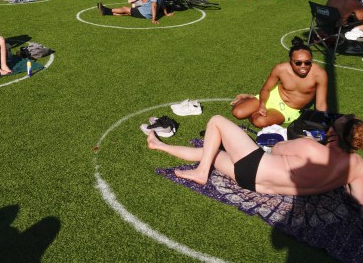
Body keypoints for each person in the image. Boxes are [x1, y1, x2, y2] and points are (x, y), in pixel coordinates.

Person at [146, 114, 363, 203]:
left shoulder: (312, 148)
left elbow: (277, 149)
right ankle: (159, 145)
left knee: (217, 121)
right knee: (211, 153)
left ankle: (201, 172)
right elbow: (358, 198)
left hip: (254, 167)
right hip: (256, 185)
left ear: (333, 134)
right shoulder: (357, 167)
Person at [231, 37, 328, 128]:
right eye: (298, 63)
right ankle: (251, 101)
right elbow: (266, 89)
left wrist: (322, 123)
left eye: (307, 62)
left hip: (289, 109)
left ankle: (250, 101)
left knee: (258, 121)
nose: (303, 66)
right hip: (272, 96)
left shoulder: (319, 74)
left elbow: (320, 104)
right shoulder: (280, 69)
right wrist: (262, 104)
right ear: (291, 61)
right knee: (237, 112)